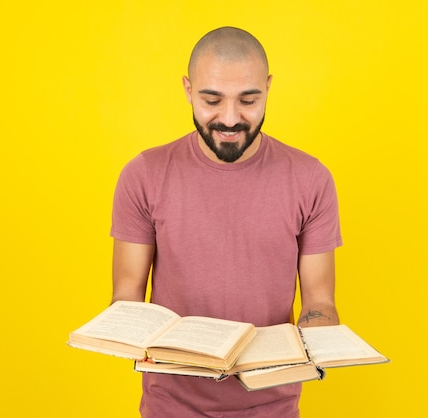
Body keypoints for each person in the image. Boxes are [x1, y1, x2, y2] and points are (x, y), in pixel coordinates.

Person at [110, 26, 343, 417]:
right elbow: (126, 297)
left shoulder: (310, 179)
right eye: (211, 100)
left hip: (273, 407)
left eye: (248, 100)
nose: (230, 119)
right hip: (170, 407)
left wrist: (321, 340)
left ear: (268, 88)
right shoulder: (144, 175)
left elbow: (319, 303)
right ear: (187, 90)